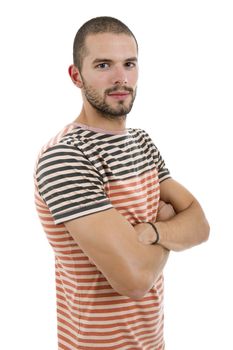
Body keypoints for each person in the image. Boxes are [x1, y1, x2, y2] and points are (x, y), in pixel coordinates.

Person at [34, 16, 210, 350]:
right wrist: (169, 224)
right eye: (103, 65)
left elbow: (200, 225)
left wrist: (152, 233)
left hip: (152, 342)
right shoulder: (66, 156)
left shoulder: (142, 142)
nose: (121, 78)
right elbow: (135, 279)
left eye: (129, 64)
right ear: (76, 76)